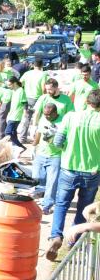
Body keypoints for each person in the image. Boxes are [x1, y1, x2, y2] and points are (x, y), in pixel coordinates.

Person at [46, 89, 100, 261]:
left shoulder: (70, 117)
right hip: (92, 171)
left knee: (61, 204)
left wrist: (67, 150)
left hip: (68, 168)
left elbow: (57, 141)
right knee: (84, 207)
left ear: (86, 102)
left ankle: (56, 236)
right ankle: (73, 239)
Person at [32, 103, 62, 216]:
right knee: (37, 178)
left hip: (55, 156)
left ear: (55, 113)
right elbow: (39, 132)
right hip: (41, 153)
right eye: (45, 114)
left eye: (49, 115)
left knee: (52, 182)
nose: (46, 117)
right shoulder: (43, 119)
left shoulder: (63, 121)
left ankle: (47, 205)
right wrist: (34, 146)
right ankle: (39, 198)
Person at [19, 58, 47, 142]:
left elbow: (20, 83)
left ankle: (23, 137)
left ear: (33, 65)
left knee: (27, 118)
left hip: (27, 97)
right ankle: (37, 137)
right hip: (38, 98)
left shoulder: (27, 73)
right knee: (40, 118)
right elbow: (43, 88)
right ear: (42, 65)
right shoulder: (43, 74)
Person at [4, 76, 27, 152]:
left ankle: (21, 147)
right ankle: (16, 148)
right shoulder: (14, 91)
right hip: (12, 115)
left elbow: (25, 102)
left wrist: (25, 113)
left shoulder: (21, 90)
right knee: (13, 133)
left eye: (10, 85)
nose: (9, 86)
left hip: (16, 116)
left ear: (15, 83)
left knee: (8, 132)